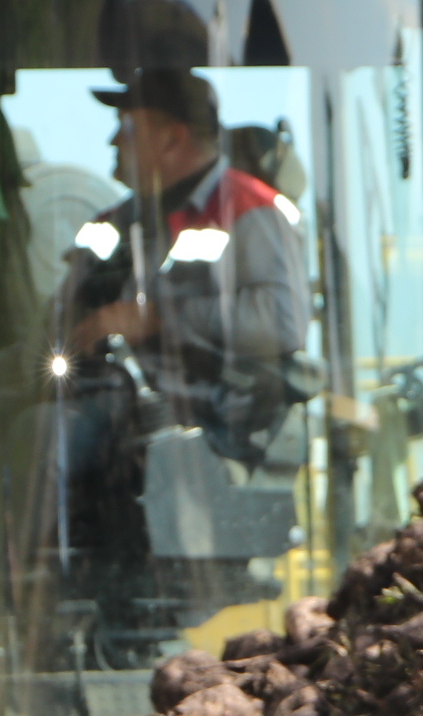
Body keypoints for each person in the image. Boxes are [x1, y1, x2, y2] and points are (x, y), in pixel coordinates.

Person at [61, 68, 309, 458]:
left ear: (172, 139)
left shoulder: (250, 211)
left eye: (126, 129)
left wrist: (158, 318)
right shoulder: (115, 223)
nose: (111, 141)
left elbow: (283, 320)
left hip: (217, 442)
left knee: (52, 437)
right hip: (116, 414)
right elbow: (63, 322)